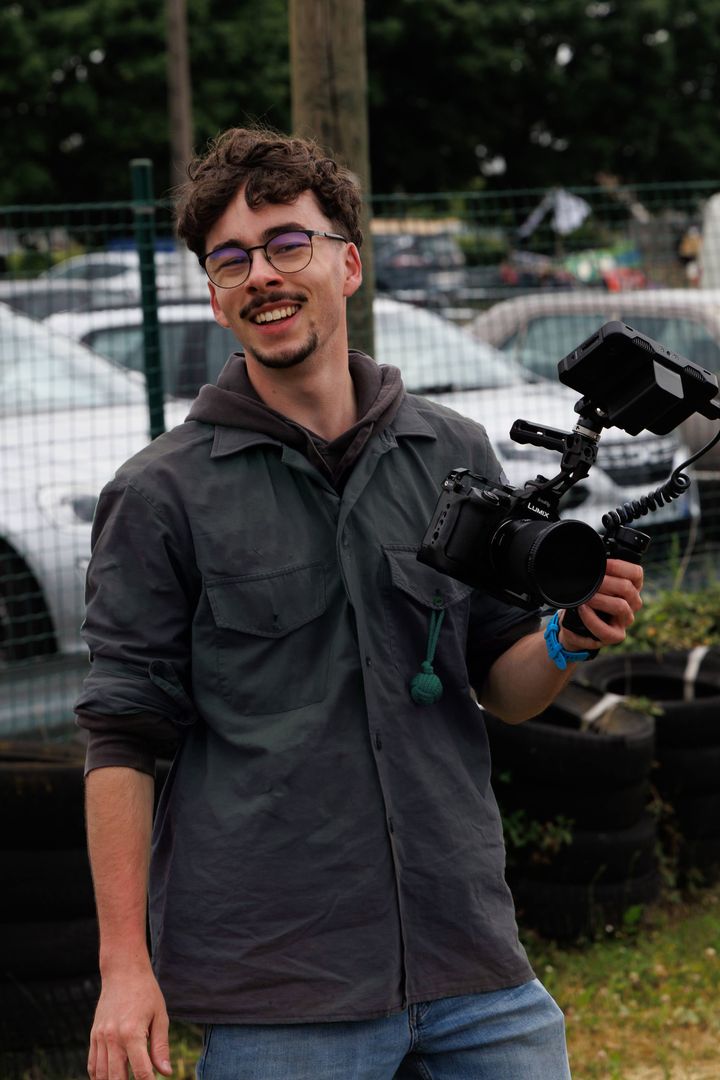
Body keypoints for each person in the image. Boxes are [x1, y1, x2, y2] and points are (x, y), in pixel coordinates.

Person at [76, 125, 643, 1080]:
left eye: (287, 242)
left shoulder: (452, 452)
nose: (261, 273)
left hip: (476, 972)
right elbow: (121, 740)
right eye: (230, 259)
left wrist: (566, 636)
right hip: (284, 992)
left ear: (348, 261)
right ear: (215, 297)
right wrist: (123, 968)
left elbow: (502, 686)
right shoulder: (160, 495)